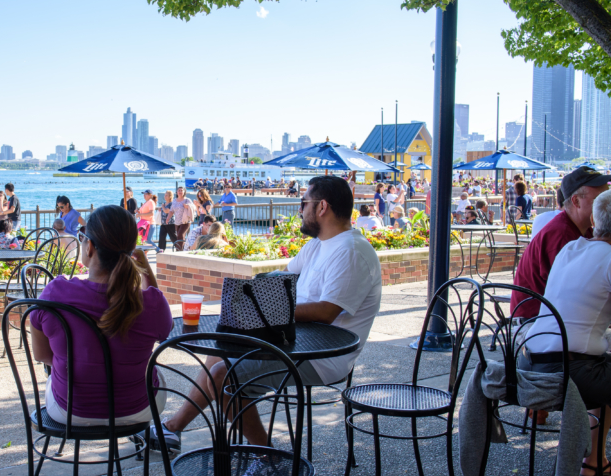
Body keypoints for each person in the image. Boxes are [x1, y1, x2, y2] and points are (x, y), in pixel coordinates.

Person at [152, 176, 382, 451]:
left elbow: (326, 312)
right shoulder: (320, 244)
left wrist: (266, 313)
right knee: (220, 349)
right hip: (295, 339)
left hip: (322, 357)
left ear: (322, 207)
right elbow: (284, 275)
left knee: (222, 376)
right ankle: (171, 429)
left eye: (303, 202)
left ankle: (268, 458)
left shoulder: (351, 252)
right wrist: (250, 291)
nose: (300, 209)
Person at [29, 205, 172, 426]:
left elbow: (42, 355)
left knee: (54, 377)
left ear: (90, 247)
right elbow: (163, 330)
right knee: (156, 374)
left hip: (70, 410)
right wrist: (146, 272)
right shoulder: (152, 303)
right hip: (139, 409)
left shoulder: (56, 293)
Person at [519, 190, 611, 476]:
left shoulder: (570, 249)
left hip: (526, 364)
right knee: (602, 369)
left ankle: (593, 459)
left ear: (595, 221)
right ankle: (593, 462)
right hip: (567, 372)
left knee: (602, 363)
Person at [511, 167, 610, 321]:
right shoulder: (562, 234)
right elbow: (579, 293)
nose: (607, 204)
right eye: (600, 199)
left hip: (556, 320)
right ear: (576, 201)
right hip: (536, 325)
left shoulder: (585, 229)